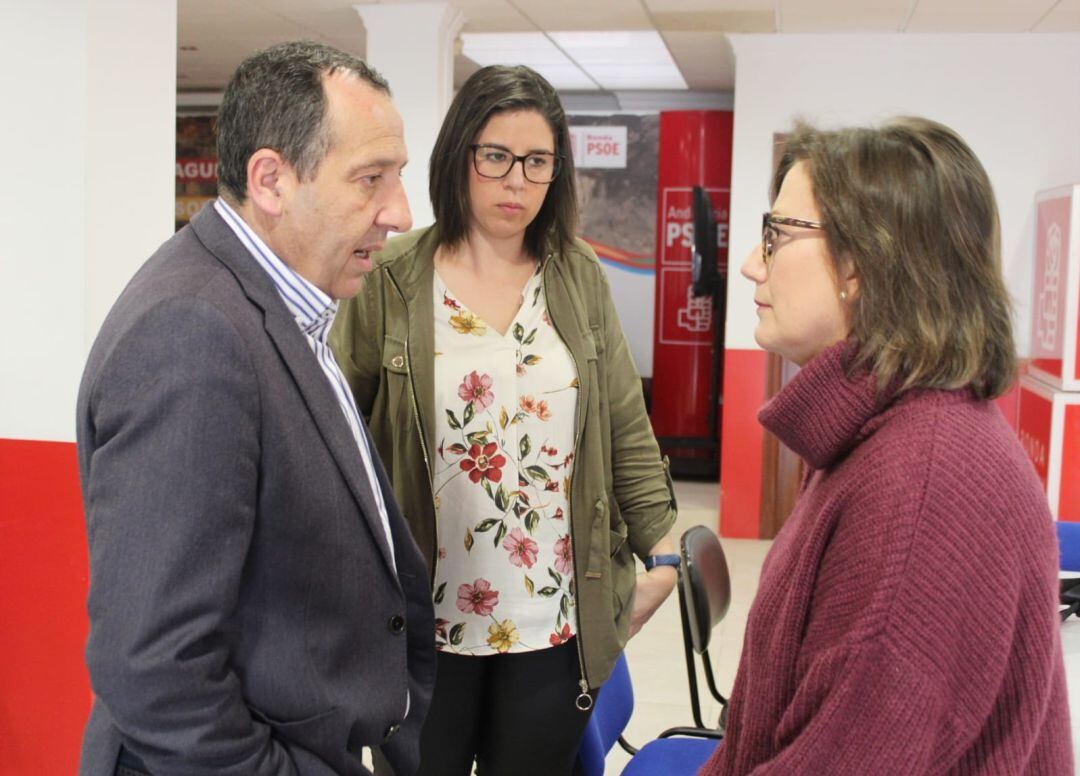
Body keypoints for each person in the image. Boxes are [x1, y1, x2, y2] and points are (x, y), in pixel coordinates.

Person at [76, 41, 434, 776]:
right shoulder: (193, 332)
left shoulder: (281, 304)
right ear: (270, 180)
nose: (398, 212)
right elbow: (155, 666)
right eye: (370, 179)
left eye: (396, 178)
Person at [330, 64, 678, 776]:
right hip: (424, 621)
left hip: (554, 620)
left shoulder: (578, 277)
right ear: (460, 155)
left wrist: (665, 558)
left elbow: (624, 428)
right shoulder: (393, 278)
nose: (515, 181)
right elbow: (336, 440)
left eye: (537, 162)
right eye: (496, 157)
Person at [701, 117, 1073, 774]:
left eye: (777, 235)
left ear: (863, 263)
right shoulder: (880, 434)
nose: (754, 262)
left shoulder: (925, 490)